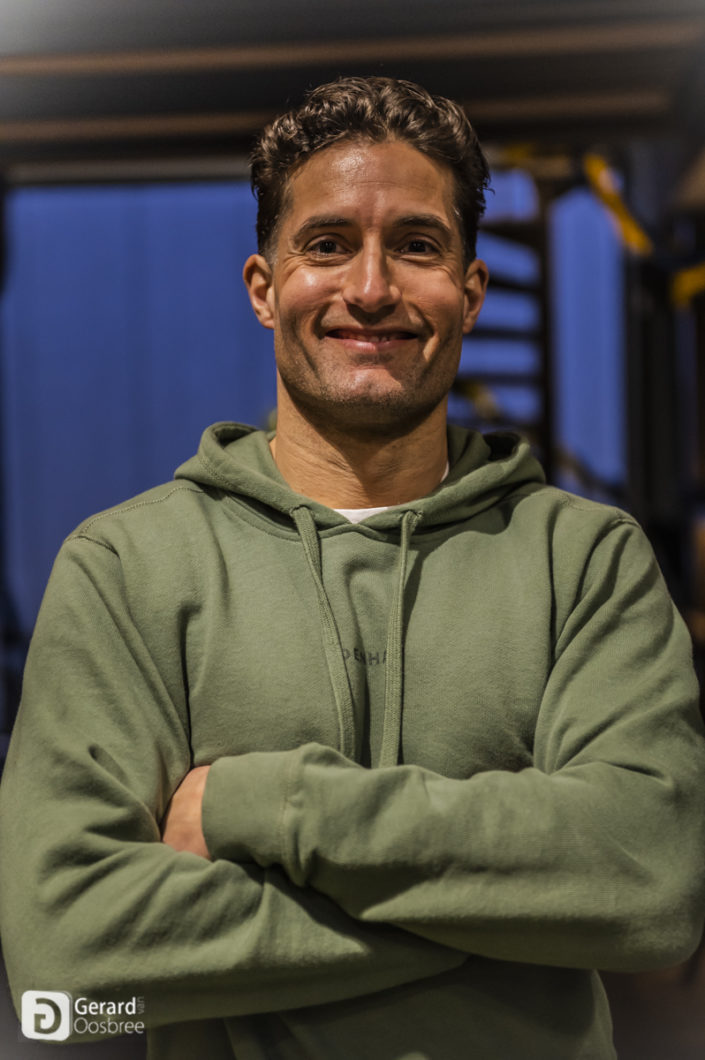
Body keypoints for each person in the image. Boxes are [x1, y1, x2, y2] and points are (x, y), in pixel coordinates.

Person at [1, 76, 704, 1060]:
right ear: (264, 288)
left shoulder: (586, 562)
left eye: (415, 245)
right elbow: (64, 983)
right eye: (328, 244)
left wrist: (261, 807)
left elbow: (650, 888)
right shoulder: (126, 569)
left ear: (470, 292)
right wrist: (504, 925)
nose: (370, 288)